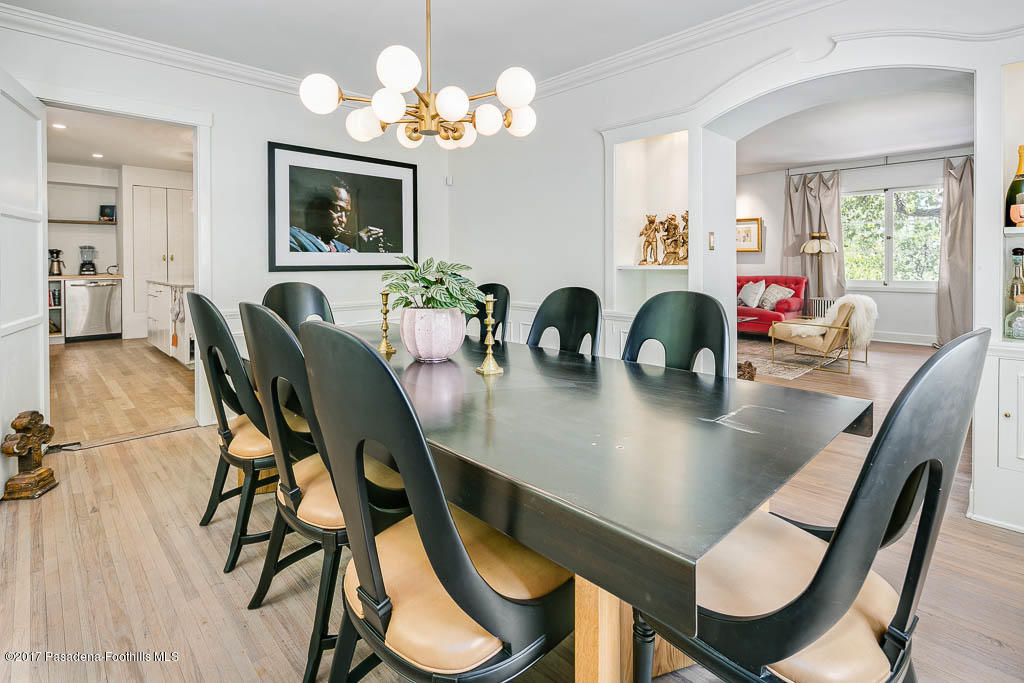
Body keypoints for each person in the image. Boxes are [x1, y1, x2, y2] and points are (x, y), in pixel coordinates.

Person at [289, 183, 358, 252]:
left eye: (346, 214)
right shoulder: (292, 237)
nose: (343, 220)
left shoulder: (344, 249)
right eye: (338, 210)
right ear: (318, 208)